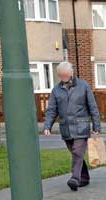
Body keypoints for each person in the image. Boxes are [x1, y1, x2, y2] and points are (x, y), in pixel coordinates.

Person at [43, 62, 101, 191]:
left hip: (81, 126)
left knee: (77, 152)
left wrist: (96, 125)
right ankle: (84, 178)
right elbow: (52, 110)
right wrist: (48, 126)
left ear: (71, 73)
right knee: (76, 154)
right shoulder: (56, 90)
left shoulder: (83, 86)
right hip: (66, 128)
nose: (63, 77)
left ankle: (75, 178)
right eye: (60, 75)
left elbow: (93, 107)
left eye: (65, 75)